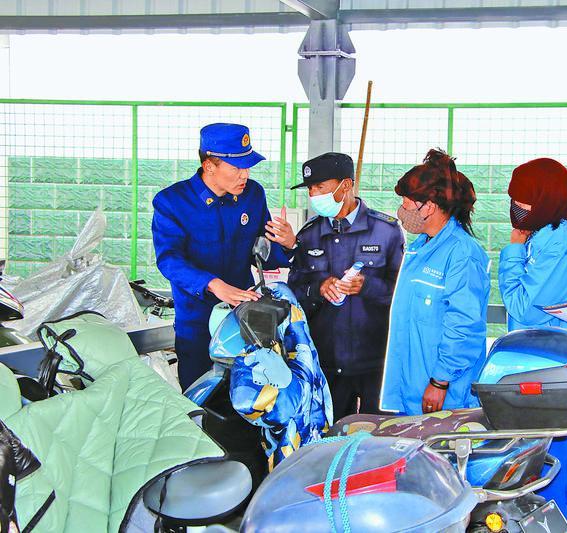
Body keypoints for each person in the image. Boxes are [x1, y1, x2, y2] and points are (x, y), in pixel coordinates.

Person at [152, 123, 291, 390]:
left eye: (248, 167)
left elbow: (264, 252)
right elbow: (169, 259)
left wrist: (287, 244)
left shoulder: (253, 195)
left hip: (245, 320)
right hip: (197, 323)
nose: (245, 175)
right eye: (237, 168)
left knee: (249, 399)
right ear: (209, 166)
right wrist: (213, 285)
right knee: (199, 399)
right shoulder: (172, 202)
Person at [274, 152, 405, 422]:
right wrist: (319, 288)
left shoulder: (387, 231)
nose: (313, 194)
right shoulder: (309, 235)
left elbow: (403, 295)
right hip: (328, 364)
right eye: (310, 188)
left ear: (345, 185)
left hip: (377, 363)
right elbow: (295, 291)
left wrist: (367, 285)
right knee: (330, 437)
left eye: (319, 187)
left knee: (379, 436)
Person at [380, 149, 490, 416]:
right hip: (412, 390)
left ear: (428, 206)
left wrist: (440, 380)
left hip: (444, 395)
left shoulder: (462, 253)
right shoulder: (420, 248)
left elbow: (464, 324)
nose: (401, 210)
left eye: (406, 202)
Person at [499, 157, 567, 331]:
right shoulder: (547, 229)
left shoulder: (561, 242)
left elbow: (523, 308)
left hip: (557, 343)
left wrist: (515, 249)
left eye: (524, 200)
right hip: (549, 341)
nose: (517, 206)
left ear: (547, 198)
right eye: (514, 200)